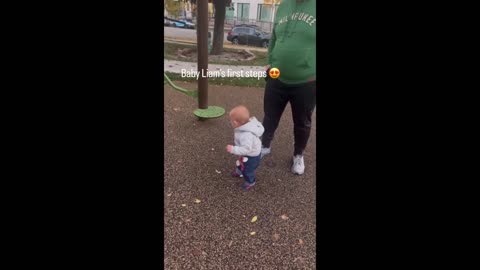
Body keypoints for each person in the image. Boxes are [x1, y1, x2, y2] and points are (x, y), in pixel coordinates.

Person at [261, 0, 316, 175]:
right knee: (270, 115)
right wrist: (270, 61)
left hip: (307, 80)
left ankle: (298, 155)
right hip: (276, 75)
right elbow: (274, 38)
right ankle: (264, 145)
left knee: (302, 123)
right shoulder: (284, 5)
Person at [226, 106, 265, 191]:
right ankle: (239, 171)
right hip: (246, 153)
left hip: (251, 155)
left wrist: (233, 149)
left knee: (248, 170)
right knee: (241, 162)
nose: (230, 122)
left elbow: (246, 149)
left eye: (231, 121)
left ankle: (250, 181)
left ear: (236, 122)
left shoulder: (246, 135)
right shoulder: (244, 126)